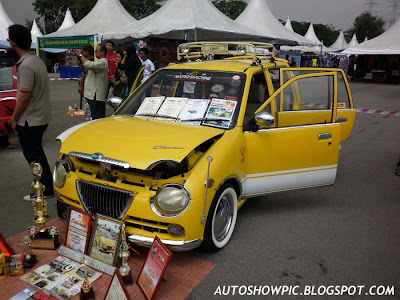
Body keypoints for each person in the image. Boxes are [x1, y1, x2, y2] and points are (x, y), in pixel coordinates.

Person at [8, 24, 53, 201]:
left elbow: (25, 95)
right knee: (37, 154)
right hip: (40, 117)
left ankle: (43, 189)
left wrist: (14, 117)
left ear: (13, 43)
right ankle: (45, 186)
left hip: (30, 119)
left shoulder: (26, 65)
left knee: (34, 157)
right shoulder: (36, 60)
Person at [74, 44, 108, 119]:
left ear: (103, 52)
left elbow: (89, 65)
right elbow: (86, 71)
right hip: (92, 94)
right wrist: (82, 64)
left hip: (97, 95)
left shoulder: (103, 62)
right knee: (94, 114)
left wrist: (80, 55)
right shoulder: (97, 62)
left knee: (98, 116)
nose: (95, 52)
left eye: (97, 51)